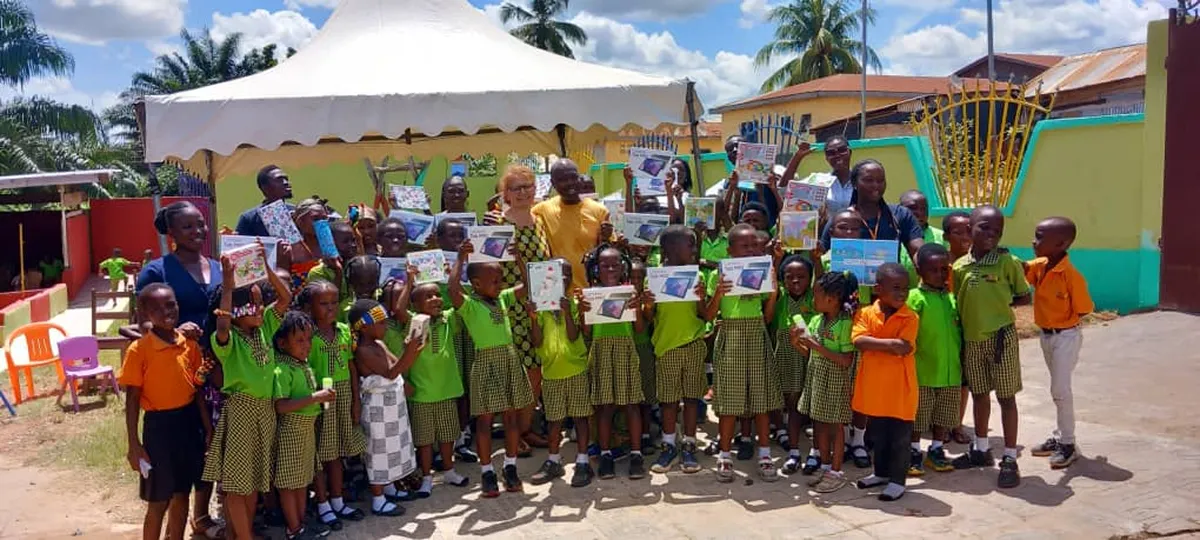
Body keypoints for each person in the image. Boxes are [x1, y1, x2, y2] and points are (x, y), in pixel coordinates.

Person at [820, 160, 924, 467]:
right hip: (848, 307)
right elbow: (824, 253)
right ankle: (850, 435)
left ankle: (865, 437)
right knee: (849, 373)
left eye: (881, 180)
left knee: (874, 372)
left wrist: (921, 256)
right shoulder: (844, 218)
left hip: (883, 307)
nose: (876, 186)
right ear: (855, 184)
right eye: (869, 181)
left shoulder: (898, 215)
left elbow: (915, 242)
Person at [136, 201, 223, 539]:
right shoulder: (157, 271)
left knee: (208, 443)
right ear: (170, 233)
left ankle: (201, 517)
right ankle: (178, 520)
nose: (197, 231)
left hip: (217, 369)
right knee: (181, 449)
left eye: (200, 224)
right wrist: (175, 334)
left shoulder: (217, 267)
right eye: (188, 227)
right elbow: (142, 322)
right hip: (177, 372)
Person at [204, 250, 291, 540]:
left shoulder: (264, 327)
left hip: (264, 411)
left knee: (253, 479)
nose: (260, 308)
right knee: (238, 482)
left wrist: (264, 266)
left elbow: (285, 298)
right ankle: (242, 536)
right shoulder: (228, 342)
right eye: (253, 304)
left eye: (260, 302)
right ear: (238, 310)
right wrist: (229, 286)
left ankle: (244, 532)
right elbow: (223, 323)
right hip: (241, 412)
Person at [120, 284, 210, 540]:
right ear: (145, 313)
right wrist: (134, 444)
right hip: (159, 429)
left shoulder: (189, 346)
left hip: (188, 423)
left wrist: (208, 430)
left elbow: (198, 391)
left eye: (170, 304)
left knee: (181, 494)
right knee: (158, 499)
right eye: (157, 308)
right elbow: (133, 398)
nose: (166, 311)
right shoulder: (140, 350)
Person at [949, 205, 1031, 489]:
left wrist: (997, 309)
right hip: (972, 341)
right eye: (984, 227)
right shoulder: (960, 267)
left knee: (1007, 397)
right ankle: (981, 449)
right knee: (979, 394)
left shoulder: (1008, 262)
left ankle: (1009, 457)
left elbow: (1023, 296)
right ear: (970, 227)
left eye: (998, 230)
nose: (991, 234)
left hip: (1001, 340)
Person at [448, 242, 535, 498]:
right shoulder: (470, 306)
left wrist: (519, 258)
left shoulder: (503, 299)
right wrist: (460, 258)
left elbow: (527, 287)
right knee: (484, 422)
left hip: (509, 359)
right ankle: (487, 471)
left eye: (500, 280)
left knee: (511, 419)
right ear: (475, 284)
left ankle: (510, 467)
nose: (499, 285)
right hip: (486, 362)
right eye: (494, 281)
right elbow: (453, 289)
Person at [702, 223, 783, 483]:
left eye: (754, 246)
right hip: (731, 335)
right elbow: (708, 314)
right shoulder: (719, 275)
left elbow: (768, 316)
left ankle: (765, 455)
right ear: (730, 249)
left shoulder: (762, 272)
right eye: (744, 246)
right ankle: (725, 455)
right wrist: (718, 294)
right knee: (729, 401)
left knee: (760, 399)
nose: (750, 250)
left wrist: (771, 293)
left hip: (756, 334)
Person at [484, 165, 553, 452]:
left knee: (537, 372)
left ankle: (525, 429)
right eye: (516, 188)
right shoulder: (497, 223)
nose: (524, 192)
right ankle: (516, 433)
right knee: (518, 373)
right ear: (505, 194)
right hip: (511, 307)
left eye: (528, 186)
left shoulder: (539, 220)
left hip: (540, 306)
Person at [298, 280, 368, 529]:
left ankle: (338, 500)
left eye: (334, 303)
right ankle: (323, 504)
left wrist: (356, 400)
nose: (330, 309)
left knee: (337, 452)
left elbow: (350, 366)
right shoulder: (306, 333)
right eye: (323, 304)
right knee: (321, 453)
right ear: (309, 307)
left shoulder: (344, 330)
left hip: (343, 395)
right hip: (319, 397)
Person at [1026, 217, 1093, 469]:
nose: (1034, 241)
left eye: (1041, 237)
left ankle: (1068, 443)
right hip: (1046, 336)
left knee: (1060, 390)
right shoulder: (1041, 265)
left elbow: (1084, 309)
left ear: (1061, 244)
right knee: (1058, 389)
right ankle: (1059, 435)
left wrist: (1062, 322)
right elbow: (1022, 269)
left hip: (1066, 336)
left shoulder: (1071, 276)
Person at [578, 242, 648, 481]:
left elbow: (639, 329)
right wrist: (582, 311)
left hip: (625, 348)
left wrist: (637, 308)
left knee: (631, 404)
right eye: (604, 265)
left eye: (615, 264)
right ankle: (606, 454)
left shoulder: (629, 292)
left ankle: (637, 455)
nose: (610, 268)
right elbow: (586, 333)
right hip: (601, 350)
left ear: (623, 267)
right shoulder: (591, 293)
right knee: (605, 406)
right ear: (596, 268)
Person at [643, 226, 709, 475]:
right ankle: (669, 444)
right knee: (669, 401)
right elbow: (650, 317)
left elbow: (703, 314)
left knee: (691, 398)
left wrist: (702, 297)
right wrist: (648, 304)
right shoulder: (654, 278)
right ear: (669, 250)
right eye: (689, 245)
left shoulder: (697, 277)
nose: (693, 250)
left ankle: (690, 444)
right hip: (666, 347)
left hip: (692, 345)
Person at [850, 263, 919, 502]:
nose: (902, 293)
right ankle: (880, 473)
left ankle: (898, 481)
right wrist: (890, 344)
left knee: (900, 436)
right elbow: (858, 341)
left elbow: (905, 347)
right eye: (896, 288)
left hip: (901, 387)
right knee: (878, 433)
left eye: (906, 288)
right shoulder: (866, 313)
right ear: (879, 289)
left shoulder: (910, 316)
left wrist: (876, 342)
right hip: (874, 386)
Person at [395, 279, 471, 495]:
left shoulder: (448, 319)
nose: (435, 299)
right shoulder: (414, 321)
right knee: (425, 440)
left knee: (448, 436)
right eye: (428, 296)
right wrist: (410, 282)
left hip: (447, 391)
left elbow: (465, 301)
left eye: (437, 294)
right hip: (422, 393)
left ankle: (449, 470)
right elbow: (399, 309)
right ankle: (427, 476)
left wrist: (451, 279)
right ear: (415, 304)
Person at [526, 260, 595, 487]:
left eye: (566, 275)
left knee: (580, 418)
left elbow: (575, 336)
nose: (562, 279)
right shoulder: (541, 304)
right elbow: (536, 341)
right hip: (552, 372)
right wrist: (533, 319)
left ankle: (583, 461)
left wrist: (567, 312)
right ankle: (553, 460)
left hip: (575, 369)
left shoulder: (575, 302)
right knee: (554, 420)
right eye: (557, 274)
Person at [792, 270, 859, 492]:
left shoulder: (844, 324)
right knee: (818, 424)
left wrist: (816, 346)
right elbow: (809, 353)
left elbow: (846, 360)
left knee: (835, 426)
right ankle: (825, 464)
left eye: (817, 295)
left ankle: (837, 471)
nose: (813, 300)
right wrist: (797, 342)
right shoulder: (816, 320)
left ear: (832, 298)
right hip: (816, 378)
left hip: (835, 382)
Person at [350, 299, 418, 517]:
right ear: (365, 326)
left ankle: (389, 487)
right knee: (378, 451)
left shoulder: (379, 344)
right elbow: (390, 373)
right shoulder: (363, 350)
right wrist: (411, 350)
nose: (385, 327)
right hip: (377, 409)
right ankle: (378, 499)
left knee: (393, 448)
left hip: (392, 406)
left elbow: (396, 366)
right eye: (381, 323)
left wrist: (414, 348)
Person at [271, 310, 334, 540]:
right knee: (289, 483)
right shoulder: (283, 369)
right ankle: (294, 529)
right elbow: (281, 406)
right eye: (299, 340)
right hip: (290, 432)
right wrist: (315, 398)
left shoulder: (302, 365)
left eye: (308, 339)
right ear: (282, 342)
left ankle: (300, 525)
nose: (306, 345)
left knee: (300, 481)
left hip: (305, 430)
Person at [905, 243, 961, 475]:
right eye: (933, 270)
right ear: (919, 271)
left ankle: (937, 450)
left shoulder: (951, 299)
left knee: (944, 415)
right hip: (923, 370)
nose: (939, 275)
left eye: (943, 270)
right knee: (918, 416)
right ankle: (914, 451)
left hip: (951, 372)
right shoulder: (914, 299)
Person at [775, 252, 821, 474]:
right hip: (787, 354)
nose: (795, 281)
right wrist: (776, 258)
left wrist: (818, 259)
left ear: (810, 279)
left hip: (811, 354)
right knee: (791, 399)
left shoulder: (813, 298)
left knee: (812, 401)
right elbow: (770, 279)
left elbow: (821, 281)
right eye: (789, 277)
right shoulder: (780, 297)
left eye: (801, 277)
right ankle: (792, 446)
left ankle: (817, 450)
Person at [532, 159, 609, 290]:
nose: (570, 183)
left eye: (574, 177)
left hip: (591, 293)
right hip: (558, 295)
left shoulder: (599, 211)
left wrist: (607, 238)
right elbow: (516, 218)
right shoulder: (541, 210)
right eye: (562, 179)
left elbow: (608, 252)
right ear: (553, 184)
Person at [941, 210, 974, 445]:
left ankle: (957, 424)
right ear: (945, 235)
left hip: (968, 328)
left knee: (963, 379)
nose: (965, 236)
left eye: (969, 231)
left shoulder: (978, 263)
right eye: (957, 232)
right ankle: (939, 422)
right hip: (942, 327)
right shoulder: (940, 263)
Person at [898, 190, 945, 288]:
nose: (919, 213)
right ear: (900, 210)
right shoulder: (890, 236)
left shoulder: (941, 237)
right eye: (912, 208)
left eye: (924, 209)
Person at [236, 165, 295, 237]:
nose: (286, 183)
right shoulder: (249, 218)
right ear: (265, 187)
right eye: (279, 180)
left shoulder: (297, 213)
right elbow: (241, 245)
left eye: (286, 179)